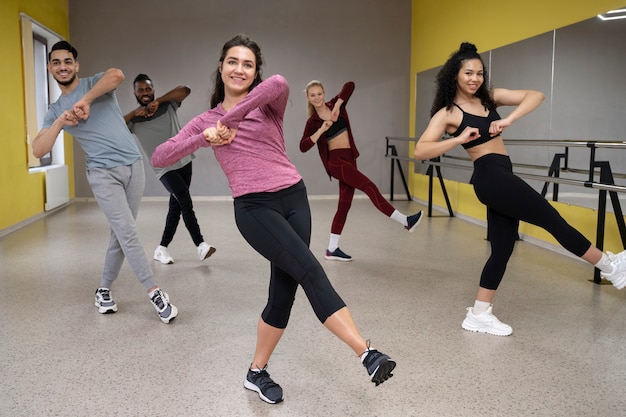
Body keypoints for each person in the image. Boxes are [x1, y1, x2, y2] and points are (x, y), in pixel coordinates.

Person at [152, 34, 396, 404]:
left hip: (294, 197)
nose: (239, 69)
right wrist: (206, 135)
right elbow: (160, 156)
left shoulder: (267, 105)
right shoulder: (207, 120)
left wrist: (232, 120)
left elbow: (280, 83)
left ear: (254, 73)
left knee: (284, 293)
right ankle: (368, 353)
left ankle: (256, 372)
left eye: (248, 64)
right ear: (221, 67)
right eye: (232, 62)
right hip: (254, 207)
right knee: (310, 270)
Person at [413, 42, 626, 336]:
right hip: (489, 176)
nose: (475, 78)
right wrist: (459, 139)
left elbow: (535, 95)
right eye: (468, 73)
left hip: (501, 173)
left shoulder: (491, 98)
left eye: (479, 73)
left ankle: (479, 313)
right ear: (454, 76)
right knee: (552, 219)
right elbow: (420, 151)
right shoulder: (448, 113)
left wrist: (509, 119)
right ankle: (610, 266)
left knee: (503, 247)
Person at [32, 41, 177, 324]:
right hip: (102, 173)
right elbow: (38, 149)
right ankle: (155, 293)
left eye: (68, 61)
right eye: (57, 62)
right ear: (50, 67)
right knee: (128, 233)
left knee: (121, 236)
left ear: (76, 65)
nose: (63, 66)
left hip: (134, 166)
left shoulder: (95, 83)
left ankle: (103, 290)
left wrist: (84, 101)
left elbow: (118, 75)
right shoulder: (55, 110)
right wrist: (61, 121)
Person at [300, 80, 422, 261]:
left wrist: (338, 107)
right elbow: (303, 146)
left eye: (319, 93)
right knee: (369, 186)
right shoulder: (313, 121)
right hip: (336, 162)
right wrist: (320, 130)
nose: (317, 98)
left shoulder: (336, 104)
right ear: (308, 98)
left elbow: (350, 85)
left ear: (324, 93)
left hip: (350, 159)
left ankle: (332, 249)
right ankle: (405, 221)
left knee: (344, 205)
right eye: (313, 95)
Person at [124, 74, 216, 265]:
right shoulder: (134, 122)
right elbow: (115, 125)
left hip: (184, 160)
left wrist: (159, 101)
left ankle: (161, 248)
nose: (145, 93)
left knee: (176, 207)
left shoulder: (168, 105)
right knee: (184, 199)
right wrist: (134, 113)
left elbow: (185, 89)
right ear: (135, 93)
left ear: (153, 90)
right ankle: (200, 244)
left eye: (148, 89)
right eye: (140, 90)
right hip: (164, 167)